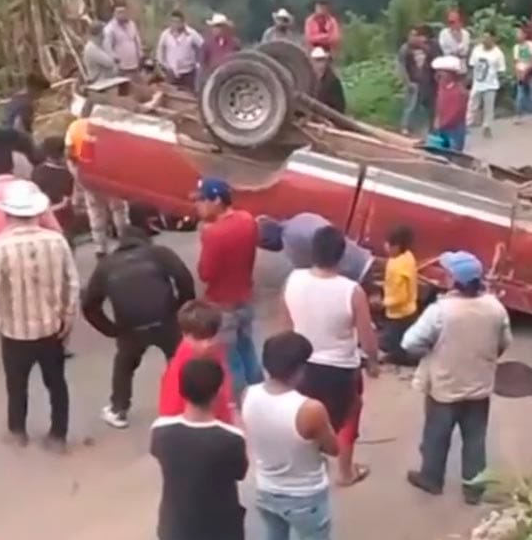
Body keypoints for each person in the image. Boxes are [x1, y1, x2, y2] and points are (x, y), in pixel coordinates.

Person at [402, 251, 511, 505]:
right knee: (475, 439)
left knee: (436, 435)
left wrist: (430, 352)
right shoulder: (495, 308)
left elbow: (409, 343)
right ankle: (473, 490)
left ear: (454, 280)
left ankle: (431, 479)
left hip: (444, 387)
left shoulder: (440, 311)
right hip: (479, 387)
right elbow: (504, 343)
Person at [0, 180, 80, 452]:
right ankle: (58, 435)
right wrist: (68, 316)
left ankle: (18, 432)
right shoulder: (56, 241)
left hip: (15, 330)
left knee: (16, 384)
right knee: (56, 384)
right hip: (52, 328)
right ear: (37, 212)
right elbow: (71, 282)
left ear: (7, 213)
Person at [283, 225, 380, 486]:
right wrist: (373, 361)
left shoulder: (294, 279)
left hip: (303, 364)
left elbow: (288, 321)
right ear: (342, 255)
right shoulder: (351, 291)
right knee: (349, 415)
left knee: (303, 417)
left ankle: (301, 469)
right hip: (341, 369)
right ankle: (345, 472)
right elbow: (366, 335)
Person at [82, 226, 195, 428]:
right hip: (165, 319)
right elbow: (184, 279)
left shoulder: (106, 266)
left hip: (130, 327)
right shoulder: (160, 253)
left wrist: (111, 329)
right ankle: (191, 403)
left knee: (124, 366)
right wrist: (181, 310)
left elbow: (90, 305)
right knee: (180, 361)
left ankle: (118, 410)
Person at [243, 331, 338, 540]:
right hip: (304, 495)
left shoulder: (249, 394)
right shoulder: (310, 409)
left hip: (266, 488)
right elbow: (334, 448)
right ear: (300, 369)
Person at [151, 358, 249, 540]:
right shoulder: (231, 437)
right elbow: (240, 472)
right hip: (219, 534)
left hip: (174, 528)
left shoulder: (160, 429)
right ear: (218, 393)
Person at [195, 177, 262, 401]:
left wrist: (204, 237)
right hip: (245, 297)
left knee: (230, 359)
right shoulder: (247, 220)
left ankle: (241, 403)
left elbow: (206, 274)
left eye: (202, 200)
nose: (198, 205)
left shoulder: (213, 234)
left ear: (216, 200)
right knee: (247, 348)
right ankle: (260, 393)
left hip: (223, 304)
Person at [0, 144, 61, 270]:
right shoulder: (29, 187)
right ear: (12, 164)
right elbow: (49, 223)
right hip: (34, 255)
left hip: (0, 260)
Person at [158, 299, 235, 424]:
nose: (207, 344)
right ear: (185, 335)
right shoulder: (179, 369)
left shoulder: (217, 353)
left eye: (211, 336)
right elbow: (170, 411)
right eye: (199, 338)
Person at [63, 117, 130, 257]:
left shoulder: (74, 127)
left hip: (86, 172)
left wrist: (78, 176)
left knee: (95, 210)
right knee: (118, 208)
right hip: (109, 172)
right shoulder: (107, 124)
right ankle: (125, 239)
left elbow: (69, 153)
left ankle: (100, 246)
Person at [256, 212, 375, 284]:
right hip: (363, 257)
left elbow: (311, 272)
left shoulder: (290, 242)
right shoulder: (303, 217)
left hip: (354, 272)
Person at [376, 225, 419, 366]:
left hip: (398, 312)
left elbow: (400, 297)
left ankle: (398, 358)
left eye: (388, 244)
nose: (385, 246)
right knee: (401, 337)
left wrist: (383, 303)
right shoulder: (408, 257)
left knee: (393, 340)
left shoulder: (396, 267)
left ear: (396, 247)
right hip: (410, 308)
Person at [31, 135, 76, 248]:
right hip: (63, 217)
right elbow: (68, 199)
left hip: (43, 215)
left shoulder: (36, 172)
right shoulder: (66, 174)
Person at [466, 29, 506, 137]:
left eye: (488, 38)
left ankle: (487, 126)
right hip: (477, 83)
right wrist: (469, 80)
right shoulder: (477, 50)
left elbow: (501, 70)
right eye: (484, 37)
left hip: (490, 84)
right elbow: (472, 65)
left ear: (493, 39)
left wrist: (499, 84)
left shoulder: (498, 53)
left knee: (489, 108)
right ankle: (467, 124)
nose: (485, 40)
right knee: (472, 105)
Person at [427, 55, 469, 152]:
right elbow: (439, 106)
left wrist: (441, 124)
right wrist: (437, 120)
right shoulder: (442, 87)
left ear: (451, 75)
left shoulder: (459, 92)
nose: (437, 75)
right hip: (443, 127)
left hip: (453, 129)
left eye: (441, 73)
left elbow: (455, 113)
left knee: (453, 154)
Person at [156, 10, 204, 91]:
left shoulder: (191, 34)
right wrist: (163, 65)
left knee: (188, 95)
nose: (175, 24)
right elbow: (160, 50)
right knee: (171, 95)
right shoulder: (165, 34)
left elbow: (203, 46)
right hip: (171, 73)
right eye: (173, 21)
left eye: (178, 22)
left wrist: (199, 62)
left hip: (188, 72)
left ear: (182, 22)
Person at [398, 29, 431, 135]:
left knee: (419, 106)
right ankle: (405, 127)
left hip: (422, 81)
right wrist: (407, 82)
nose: (415, 38)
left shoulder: (421, 47)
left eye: (416, 35)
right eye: (412, 36)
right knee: (410, 106)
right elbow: (401, 67)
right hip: (412, 81)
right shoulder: (405, 49)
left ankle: (416, 127)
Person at [2, 72, 51, 137]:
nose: (40, 95)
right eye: (40, 92)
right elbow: (18, 126)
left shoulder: (15, 98)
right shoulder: (26, 105)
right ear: (35, 89)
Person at [104, 2, 143, 78]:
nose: (122, 14)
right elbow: (108, 48)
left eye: (124, 12)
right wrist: (115, 61)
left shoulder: (132, 24)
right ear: (113, 14)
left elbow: (137, 40)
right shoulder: (109, 29)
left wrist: (140, 54)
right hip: (121, 68)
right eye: (119, 12)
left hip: (134, 64)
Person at [311, 47, 346, 114]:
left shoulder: (333, 81)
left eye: (321, 60)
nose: (319, 65)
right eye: (317, 60)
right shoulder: (308, 79)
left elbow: (339, 107)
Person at [83, 20, 118, 84]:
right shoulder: (91, 48)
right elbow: (109, 63)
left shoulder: (98, 45)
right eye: (103, 31)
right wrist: (113, 59)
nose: (104, 34)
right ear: (100, 33)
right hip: (100, 84)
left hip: (106, 81)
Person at [438, 10, 471, 74]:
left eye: (453, 22)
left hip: (461, 68)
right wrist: (457, 51)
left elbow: (465, 51)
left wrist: (458, 39)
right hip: (448, 68)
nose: (451, 24)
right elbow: (446, 51)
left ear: (460, 21)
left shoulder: (466, 34)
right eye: (449, 22)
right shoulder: (444, 33)